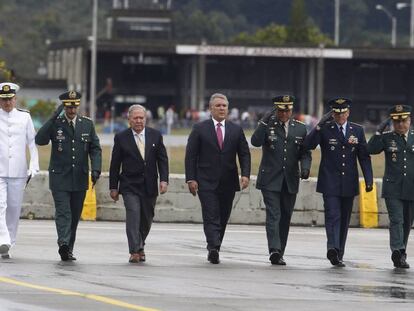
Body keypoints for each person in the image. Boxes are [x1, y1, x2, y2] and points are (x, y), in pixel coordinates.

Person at [303, 97, 373, 267]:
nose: (340, 116)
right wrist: (318, 126)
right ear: (332, 114)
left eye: (343, 113)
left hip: (349, 182)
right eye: (336, 113)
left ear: (348, 113)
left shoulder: (357, 130)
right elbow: (308, 145)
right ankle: (332, 248)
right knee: (333, 216)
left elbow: (364, 157)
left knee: (344, 219)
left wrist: (369, 179)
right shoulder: (325, 129)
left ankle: (339, 253)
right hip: (330, 181)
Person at [35, 91, 102, 261]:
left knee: (74, 215)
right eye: (68, 106)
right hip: (59, 177)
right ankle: (63, 243)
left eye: (74, 106)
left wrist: (96, 169)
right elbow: (40, 139)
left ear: (78, 106)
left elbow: (95, 148)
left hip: (79, 178)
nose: (72, 110)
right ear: (64, 106)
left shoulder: (87, 124)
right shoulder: (56, 123)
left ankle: (68, 249)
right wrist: (52, 117)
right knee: (63, 212)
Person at [185, 93, 251, 264]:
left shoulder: (236, 129)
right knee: (211, 214)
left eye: (224, 106)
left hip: (228, 181)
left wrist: (245, 174)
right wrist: (191, 178)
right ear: (210, 108)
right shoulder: (199, 129)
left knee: (222, 215)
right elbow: (191, 156)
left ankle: (216, 244)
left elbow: (244, 154)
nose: (222, 108)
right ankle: (213, 247)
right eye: (218, 106)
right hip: (205, 181)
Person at [251, 95, 312, 265]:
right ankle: (274, 250)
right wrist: (262, 122)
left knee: (285, 216)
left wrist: (305, 168)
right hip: (270, 178)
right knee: (274, 214)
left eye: (287, 110)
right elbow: (255, 142)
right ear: (275, 110)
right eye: (281, 110)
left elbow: (305, 152)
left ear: (292, 111)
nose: (284, 114)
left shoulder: (300, 128)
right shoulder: (268, 125)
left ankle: (280, 251)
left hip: (290, 179)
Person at [109, 104, 168, 263]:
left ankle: (140, 245)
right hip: (129, 185)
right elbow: (115, 164)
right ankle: (134, 251)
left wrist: (163, 179)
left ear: (146, 119)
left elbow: (162, 160)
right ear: (129, 120)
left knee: (147, 218)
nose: (139, 121)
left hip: (149, 185)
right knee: (133, 216)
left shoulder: (156, 135)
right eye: (135, 118)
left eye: (141, 117)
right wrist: (113, 187)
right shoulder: (121, 137)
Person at [367, 105, 414, 269]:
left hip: (411, 188)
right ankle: (397, 251)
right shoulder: (387, 138)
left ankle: (402, 252)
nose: (400, 124)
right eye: (396, 121)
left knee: (407, 223)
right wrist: (378, 132)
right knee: (397, 220)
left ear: (409, 120)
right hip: (393, 188)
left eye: (403, 121)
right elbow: (370, 149)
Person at [0, 82, 39, 259]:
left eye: (9, 99)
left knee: (14, 208)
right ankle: (3, 239)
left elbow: (32, 143)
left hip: (18, 170)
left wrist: (34, 165)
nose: (7, 103)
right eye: (3, 100)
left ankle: (10, 242)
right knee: (0, 205)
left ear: (15, 99)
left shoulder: (24, 117)